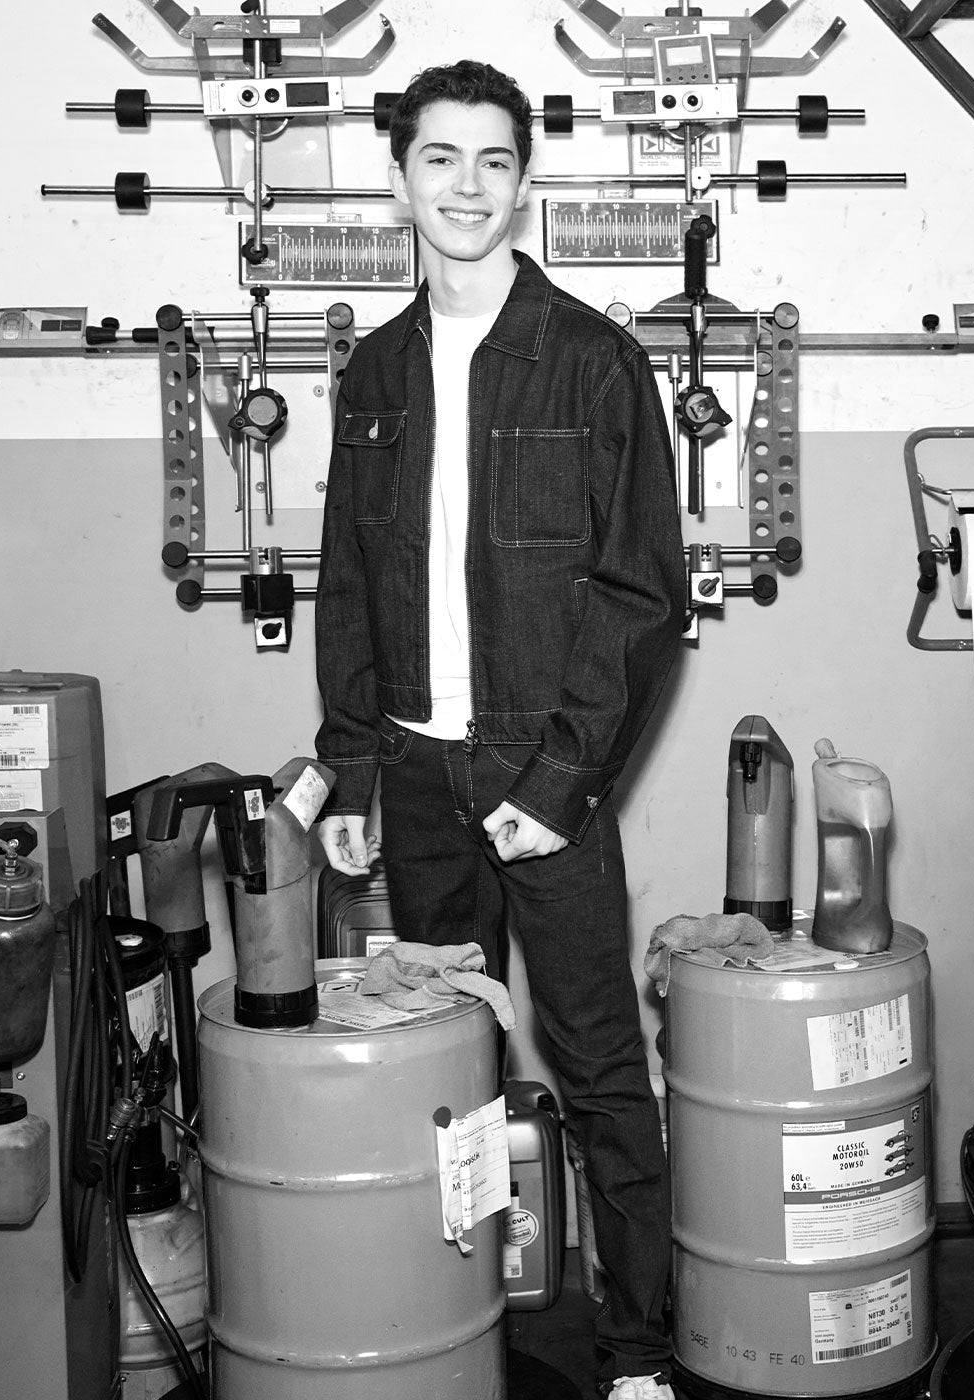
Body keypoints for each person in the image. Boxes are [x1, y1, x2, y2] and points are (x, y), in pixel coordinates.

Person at [314, 59, 686, 1400]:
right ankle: (459, 1329)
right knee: (448, 1071)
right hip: (413, 777)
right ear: (399, 173)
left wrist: (564, 778)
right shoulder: (370, 372)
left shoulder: (593, 361)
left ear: (524, 180)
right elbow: (348, 582)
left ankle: (638, 1353)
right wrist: (352, 760)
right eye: (439, 159)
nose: (465, 187)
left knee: (597, 1072)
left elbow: (646, 593)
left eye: (491, 162)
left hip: (545, 780)